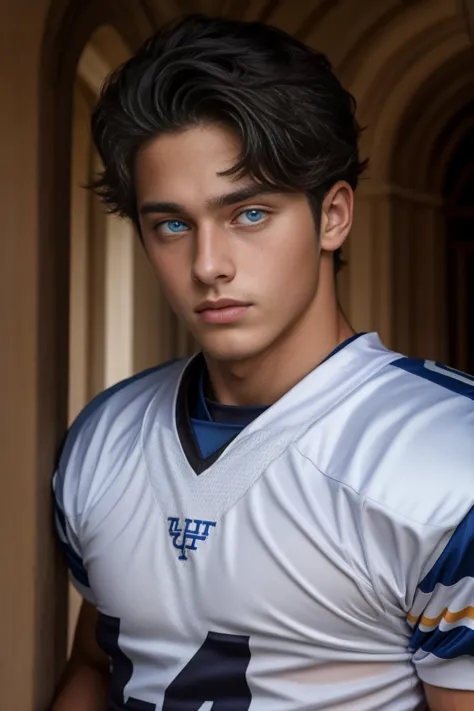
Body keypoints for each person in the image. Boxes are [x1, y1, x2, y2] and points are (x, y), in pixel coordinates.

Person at [51, 13, 474, 711]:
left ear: (333, 216)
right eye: (173, 225)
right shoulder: (103, 438)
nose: (208, 265)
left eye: (248, 214)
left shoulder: (447, 457)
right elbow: (95, 666)